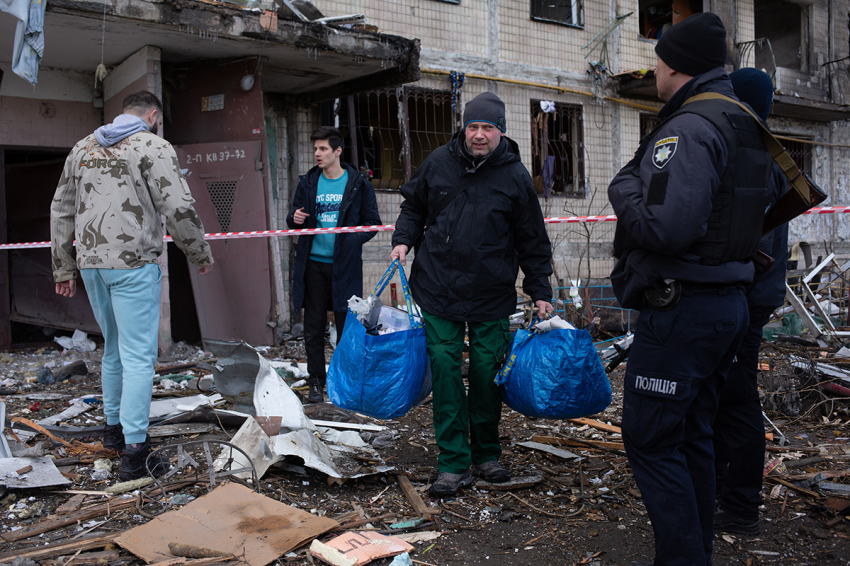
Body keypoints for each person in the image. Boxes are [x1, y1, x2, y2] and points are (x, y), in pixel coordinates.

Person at [607, 14, 774, 566]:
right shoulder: (742, 119)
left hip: (685, 308)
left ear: (675, 65)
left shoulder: (692, 128)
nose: (654, 69)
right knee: (693, 435)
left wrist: (622, 187)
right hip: (726, 304)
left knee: (652, 440)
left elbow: (667, 228)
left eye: (657, 60)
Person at [390, 92, 554, 498]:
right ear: (464, 128)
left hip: (491, 292)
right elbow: (413, 207)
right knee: (444, 368)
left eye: (488, 127)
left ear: (501, 130)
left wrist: (540, 290)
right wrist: (402, 241)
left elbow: (532, 239)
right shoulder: (439, 164)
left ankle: (486, 454)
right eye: (473, 127)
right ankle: (451, 463)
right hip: (438, 286)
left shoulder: (515, 177)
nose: (479, 135)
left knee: (485, 373)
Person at [51, 91, 213, 480]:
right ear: (153, 115)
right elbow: (177, 205)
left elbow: (61, 207)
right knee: (140, 357)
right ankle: (136, 453)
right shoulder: (153, 145)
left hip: (91, 264)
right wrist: (199, 254)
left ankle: (113, 434)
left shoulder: (82, 147)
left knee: (114, 350)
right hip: (133, 264)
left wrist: (62, 267)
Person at [713, 68, 788, 536]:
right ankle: (721, 488)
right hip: (745, 296)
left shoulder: (755, 161)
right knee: (722, 398)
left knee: (737, 399)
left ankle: (740, 506)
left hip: (745, 300)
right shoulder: (759, 155)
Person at [287, 126, 381, 404]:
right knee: (313, 327)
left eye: (323, 149)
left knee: (346, 327)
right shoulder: (307, 182)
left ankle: (342, 384)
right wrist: (295, 219)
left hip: (345, 267)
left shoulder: (358, 183)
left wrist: (353, 241)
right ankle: (316, 382)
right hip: (313, 266)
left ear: (337, 151)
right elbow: (292, 219)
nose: (317, 153)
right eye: (315, 148)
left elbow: (373, 223)